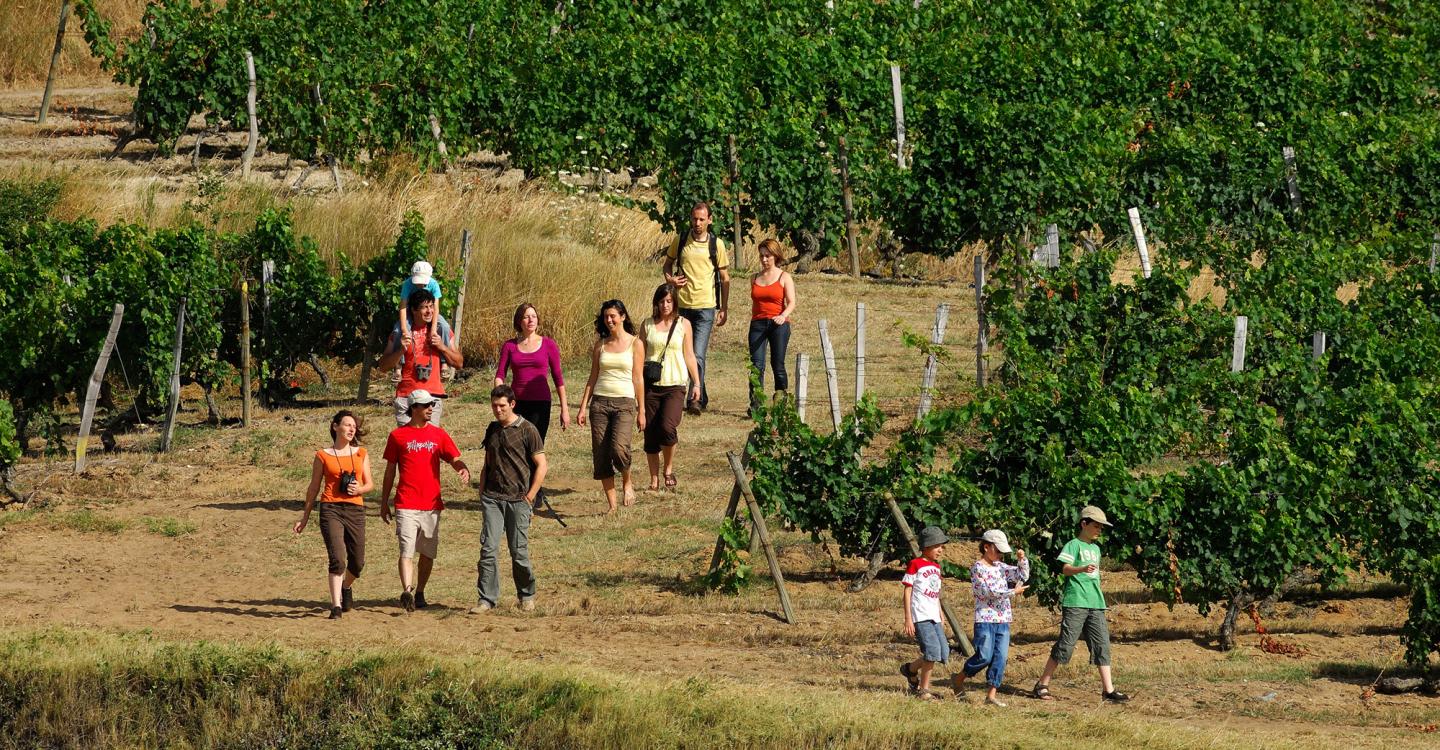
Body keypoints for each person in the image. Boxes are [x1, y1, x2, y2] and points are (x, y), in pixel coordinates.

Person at [379, 389, 470, 612]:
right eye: (426, 405)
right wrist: (383, 502)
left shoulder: (438, 434)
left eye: (432, 404)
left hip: (431, 504)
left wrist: (462, 468)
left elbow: (453, 457)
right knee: (406, 550)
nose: (431, 408)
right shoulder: (397, 436)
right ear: (414, 408)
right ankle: (407, 591)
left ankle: (420, 591)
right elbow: (390, 471)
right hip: (405, 502)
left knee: (427, 553)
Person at [1031, 505, 1130, 703]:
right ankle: (1042, 684)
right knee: (1066, 644)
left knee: (1102, 645)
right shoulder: (1073, 545)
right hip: (1075, 600)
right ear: (1084, 524)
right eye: (1096, 526)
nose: (1099, 530)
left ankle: (1108, 691)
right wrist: (1082, 568)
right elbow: (1065, 569)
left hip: (1095, 602)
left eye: (1101, 527)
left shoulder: (1096, 549)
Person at [470, 385, 548, 614]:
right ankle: (486, 599)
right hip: (493, 498)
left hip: (518, 500)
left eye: (502, 406)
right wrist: (482, 491)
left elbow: (542, 465)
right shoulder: (492, 429)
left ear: (512, 404)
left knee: (518, 551)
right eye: (494, 406)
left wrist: (530, 497)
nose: (497, 410)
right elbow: (487, 463)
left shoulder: (527, 430)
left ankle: (527, 595)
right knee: (488, 550)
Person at [292, 410, 374, 620]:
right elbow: (313, 487)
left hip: (355, 509)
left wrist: (359, 490)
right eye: (347, 425)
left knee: (358, 563)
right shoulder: (323, 455)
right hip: (331, 509)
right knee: (337, 558)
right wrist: (305, 517)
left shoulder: (361, 453)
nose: (351, 428)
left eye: (353, 426)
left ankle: (346, 586)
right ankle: (335, 605)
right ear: (335, 426)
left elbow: (370, 484)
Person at [577, 299, 646, 513]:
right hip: (600, 403)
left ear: (623, 316)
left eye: (613, 316)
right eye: (606, 316)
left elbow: (638, 379)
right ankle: (612, 505)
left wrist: (641, 410)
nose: (609, 320)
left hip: (624, 402)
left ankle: (627, 481)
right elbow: (592, 377)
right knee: (601, 453)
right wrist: (582, 407)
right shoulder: (601, 345)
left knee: (619, 447)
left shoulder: (636, 344)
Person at [662, 201, 730, 415]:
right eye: (694, 219)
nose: (697, 223)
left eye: (702, 219)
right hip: (682, 307)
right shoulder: (681, 240)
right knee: (685, 353)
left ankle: (694, 400)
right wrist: (671, 280)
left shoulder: (716, 244)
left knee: (697, 354)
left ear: (710, 220)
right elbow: (667, 264)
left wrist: (724, 307)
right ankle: (701, 392)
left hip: (705, 308)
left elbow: (724, 277)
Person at [954, 530, 1030, 706]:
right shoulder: (977, 568)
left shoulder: (1000, 567)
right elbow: (987, 592)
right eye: (997, 551)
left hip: (1003, 619)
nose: (1000, 555)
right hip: (985, 619)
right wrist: (1012, 592)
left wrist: (1021, 560)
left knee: (1000, 657)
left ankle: (991, 695)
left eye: (1002, 552)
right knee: (984, 656)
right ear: (986, 547)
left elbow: (1021, 575)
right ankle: (959, 678)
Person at [640, 284, 701, 491]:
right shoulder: (647, 325)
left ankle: (668, 468)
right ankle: (654, 479)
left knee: (667, 426)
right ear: (656, 302)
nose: (665, 305)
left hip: (675, 384)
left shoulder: (683, 324)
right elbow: (639, 356)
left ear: (674, 302)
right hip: (650, 385)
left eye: (669, 301)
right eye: (661, 301)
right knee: (650, 432)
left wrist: (697, 383)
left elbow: (690, 355)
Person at [378, 289, 463, 426]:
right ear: (413, 310)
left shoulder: (440, 330)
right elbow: (383, 366)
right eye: (424, 308)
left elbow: (459, 363)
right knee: (408, 445)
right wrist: (401, 350)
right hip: (406, 398)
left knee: (428, 444)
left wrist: (442, 346)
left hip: (432, 397)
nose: (429, 311)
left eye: (431, 307)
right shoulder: (401, 333)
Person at [494, 303, 570, 442]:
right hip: (516, 403)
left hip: (540, 403)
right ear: (519, 321)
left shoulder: (549, 344)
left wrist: (564, 409)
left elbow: (558, 378)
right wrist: (500, 397)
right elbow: (500, 375)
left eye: (534, 316)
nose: (531, 320)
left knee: (535, 447)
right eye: (526, 317)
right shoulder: (509, 346)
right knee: (515, 445)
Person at [900, 526, 950, 701]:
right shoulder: (916, 564)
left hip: (934, 615)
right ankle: (924, 690)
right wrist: (908, 619)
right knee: (932, 651)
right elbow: (907, 591)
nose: (940, 550)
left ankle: (911, 669)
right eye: (938, 546)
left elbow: (935, 593)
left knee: (943, 653)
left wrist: (941, 613)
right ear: (927, 546)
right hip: (921, 616)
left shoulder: (936, 567)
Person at [747, 239, 796, 410]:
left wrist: (783, 316)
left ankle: (780, 400)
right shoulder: (754, 277)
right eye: (761, 256)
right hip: (758, 324)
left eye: (768, 256)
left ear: (775, 256)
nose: (764, 260)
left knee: (778, 363)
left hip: (778, 325)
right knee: (756, 366)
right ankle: (755, 404)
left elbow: (791, 302)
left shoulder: (784, 277)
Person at [394, 261, 443, 382]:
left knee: (445, 327)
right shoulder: (407, 284)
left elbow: (435, 307)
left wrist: (433, 329)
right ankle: (398, 366)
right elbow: (403, 306)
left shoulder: (434, 284)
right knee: (397, 330)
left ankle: (444, 362)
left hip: (430, 312)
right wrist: (405, 329)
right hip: (413, 311)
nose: (420, 284)